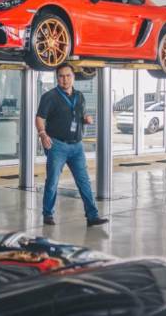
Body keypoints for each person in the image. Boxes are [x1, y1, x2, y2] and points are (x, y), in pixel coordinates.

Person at [36, 63, 109, 227]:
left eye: (68, 76)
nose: (65, 79)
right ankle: (48, 214)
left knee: (84, 182)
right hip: (57, 146)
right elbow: (40, 118)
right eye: (61, 76)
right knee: (52, 181)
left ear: (73, 77)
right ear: (57, 78)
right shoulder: (50, 96)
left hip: (77, 147)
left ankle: (92, 216)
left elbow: (78, 115)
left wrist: (85, 119)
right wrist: (42, 134)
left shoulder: (80, 96)